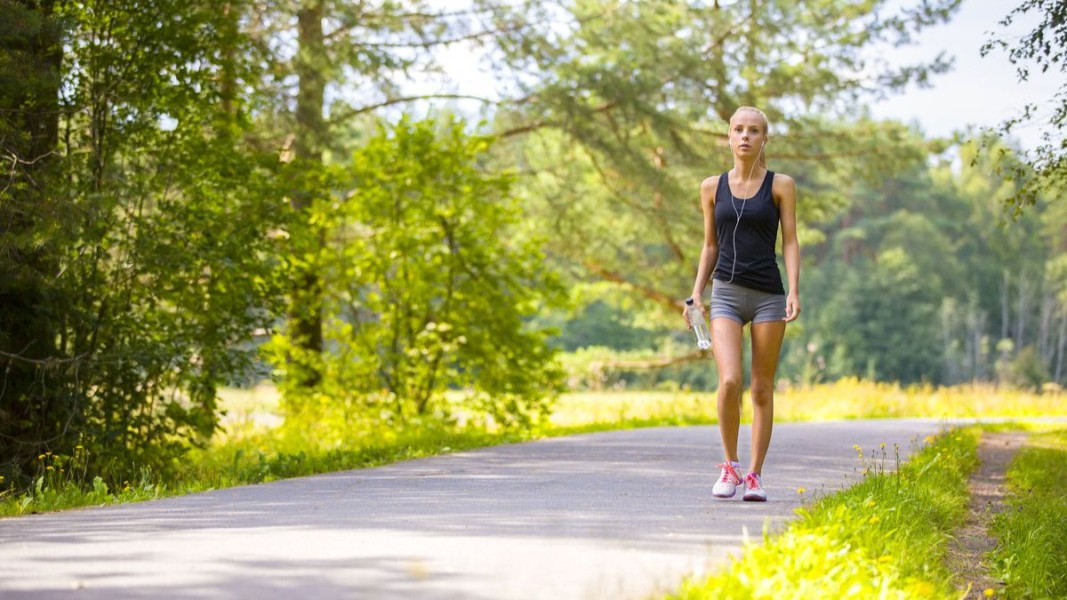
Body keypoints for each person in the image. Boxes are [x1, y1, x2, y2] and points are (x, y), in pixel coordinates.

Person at [683, 106, 801, 502]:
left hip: (768, 295)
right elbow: (709, 245)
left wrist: (794, 290)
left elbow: (789, 241)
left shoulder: (781, 184)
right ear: (729, 137)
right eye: (738, 129)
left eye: (753, 130)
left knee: (761, 389)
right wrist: (696, 293)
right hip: (727, 294)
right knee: (730, 380)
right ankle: (730, 466)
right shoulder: (711, 187)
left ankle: (754, 476)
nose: (745, 136)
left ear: (763, 138)